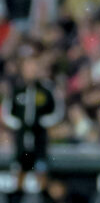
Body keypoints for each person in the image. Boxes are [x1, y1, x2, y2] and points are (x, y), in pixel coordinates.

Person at [2, 56, 64, 201]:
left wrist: (42, 122)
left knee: (41, 173)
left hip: (40, 141)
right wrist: (19, 124)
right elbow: (7, 113)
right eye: (28, 67)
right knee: (19, 176)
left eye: (33, 67)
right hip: (21, 141)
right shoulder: (16, 91)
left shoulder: (46, 90)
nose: (31, 70)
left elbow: (57, 111)